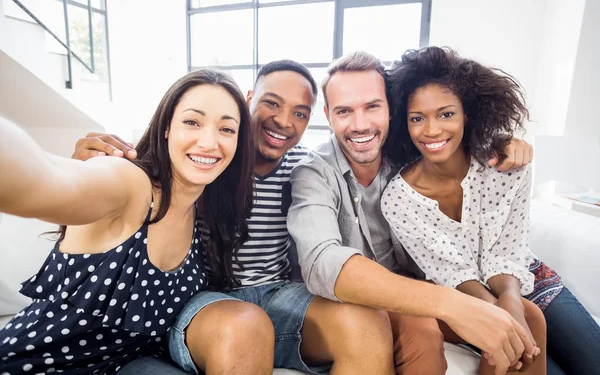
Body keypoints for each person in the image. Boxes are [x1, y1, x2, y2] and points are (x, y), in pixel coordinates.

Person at [71, 60, 398, 375]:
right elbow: (133, 182)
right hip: (205, 301)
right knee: (244, 325)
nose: (284, 121)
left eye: (299, 113)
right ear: (249, 100)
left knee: (368, 322)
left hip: (279, 292)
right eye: (272, 103)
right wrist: (87, 170)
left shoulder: (306, 167)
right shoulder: (208, 154)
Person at [287, 50, 538, 375]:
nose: (360, 124)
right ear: (328, 114)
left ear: (391, 110)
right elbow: (322, 262)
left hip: (427, 285)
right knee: (420, 330)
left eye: (372, 106)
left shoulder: (409, 154)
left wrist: (501, 142)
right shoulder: (313, 173)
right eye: (344, 111)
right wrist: (453, 304)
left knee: (526, 318)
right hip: (349, 301)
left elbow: (457, 146)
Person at [0, 69, 255, 374]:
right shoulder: (132, 184)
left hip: (122, 365)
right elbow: (45, 180)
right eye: (192, 122)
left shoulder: (204, 214)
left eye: (226, 129)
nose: (209, 142)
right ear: (166, 128)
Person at [382, 46, 600, 375]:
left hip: (528, 280)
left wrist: (510, 299)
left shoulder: (505, 166)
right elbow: (451, 273)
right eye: (417, 118)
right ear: (404, 123)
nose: (432, 130)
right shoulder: (398, 198)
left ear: (466, 114)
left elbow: (509, 248)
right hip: (470, 299)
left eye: (445, 114)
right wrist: (498, 313)